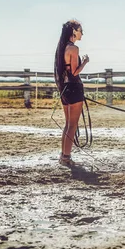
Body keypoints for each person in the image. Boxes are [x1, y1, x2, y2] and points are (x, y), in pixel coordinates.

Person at [54, 19, 89, 168]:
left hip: (65, 88)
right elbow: (74, 72)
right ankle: (67, 157)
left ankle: (64, 155)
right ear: (74, 31)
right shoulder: (73, 49)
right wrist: (85, 62)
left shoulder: (62, 48)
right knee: (72, 125)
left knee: (68, 124)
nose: (82, 33)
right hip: (74, 87)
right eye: (81, 30)